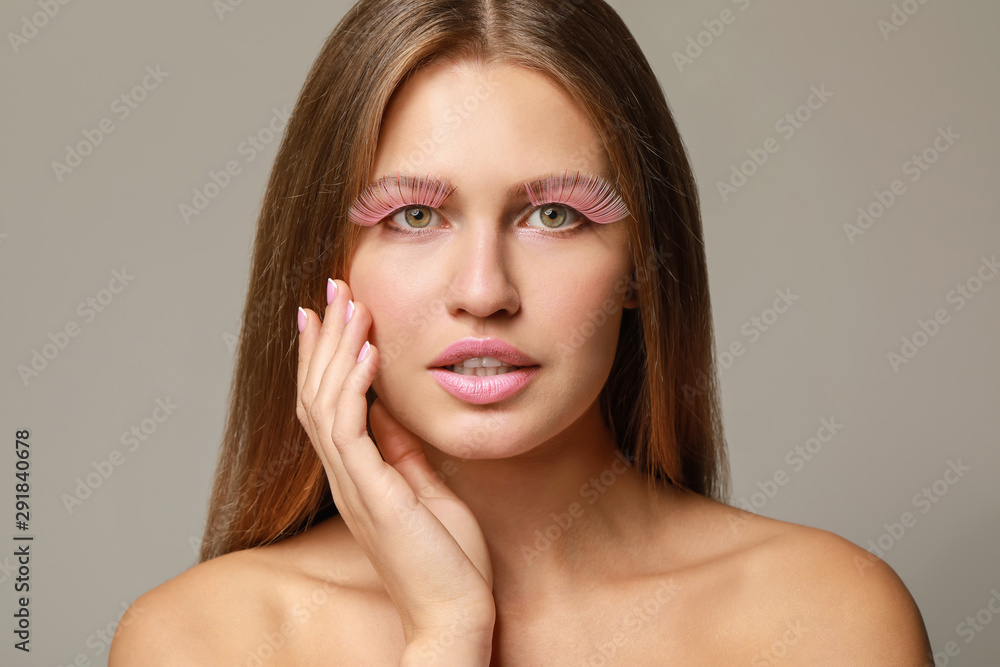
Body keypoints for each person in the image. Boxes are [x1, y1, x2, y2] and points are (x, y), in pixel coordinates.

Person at [110, 0, 934, 664]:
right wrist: (446, 634)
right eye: (415, 214)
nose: (483, 291)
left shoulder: (829, 619)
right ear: (327, 260)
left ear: (643, 264)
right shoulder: (200, 641)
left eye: (553, 214)